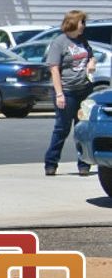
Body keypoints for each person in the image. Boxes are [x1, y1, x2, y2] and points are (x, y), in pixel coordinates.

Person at [43, 10, 97, 177]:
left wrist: (92, 63)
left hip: (84, 90)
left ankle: (84, 164)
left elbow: (91, 56)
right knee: (62, 128)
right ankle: (51, 163)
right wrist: (60, 94)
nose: (84, 26)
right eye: (82, 22)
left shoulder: (82, 40)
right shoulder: (59, 42)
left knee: (82, 128)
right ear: (73, 23)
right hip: (67, 91)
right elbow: (54, 69)